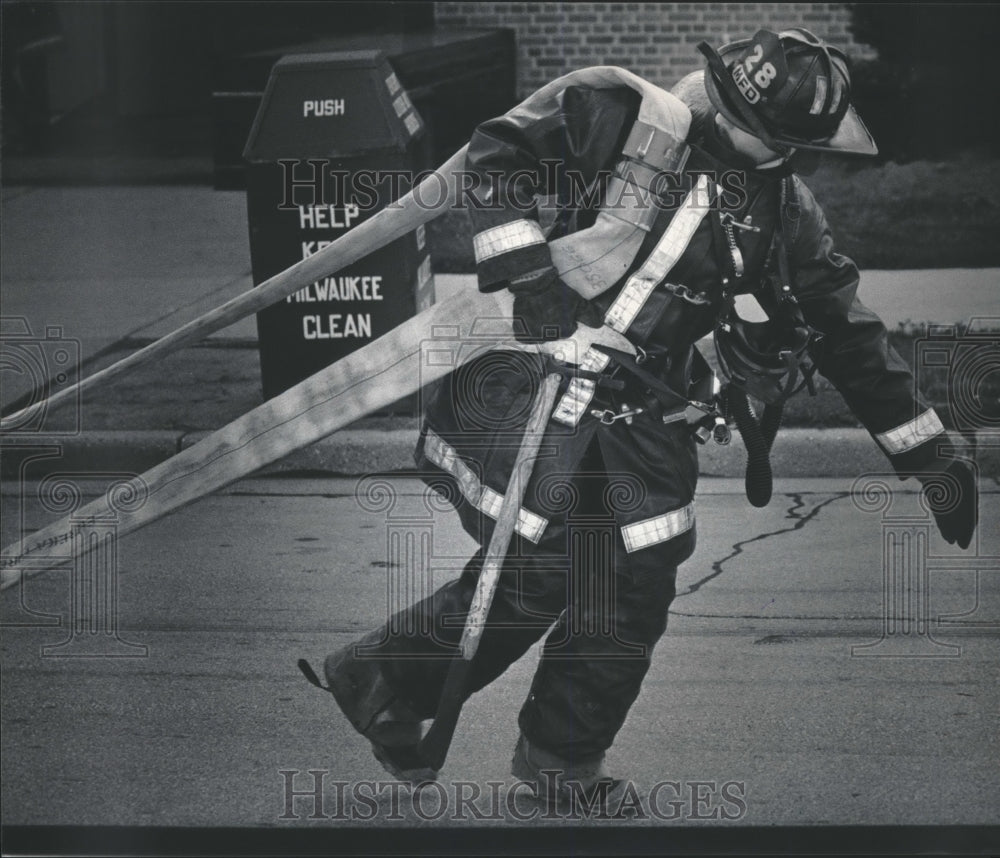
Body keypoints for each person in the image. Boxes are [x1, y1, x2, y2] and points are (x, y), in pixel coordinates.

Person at [307, 28, 979, 805]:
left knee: (633, 584)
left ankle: (560, 758)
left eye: (765, 140)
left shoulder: (786, 211)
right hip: (539, 380)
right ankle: (383, 679)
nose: (736, 138)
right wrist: (531, 277)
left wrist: (928, 458)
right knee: (541, 574)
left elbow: (847, 333)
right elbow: (498, 157)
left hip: (646, 414)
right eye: (731, 116)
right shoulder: (625, 119)